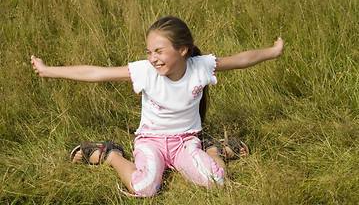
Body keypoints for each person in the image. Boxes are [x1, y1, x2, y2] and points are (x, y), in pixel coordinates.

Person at [31, 16, 284, 197]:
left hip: (185, 142)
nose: (153, 58)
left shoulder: (201, 67)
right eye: (149, 51)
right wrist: (48, 70)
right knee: (145, 188)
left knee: (216, 182)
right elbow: (97, 72)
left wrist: (273, 52)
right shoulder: (145, 71)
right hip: (151, 141)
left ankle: (214, 149)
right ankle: (110, 155)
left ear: (183, 50)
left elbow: (240, 60)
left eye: (159, 51)